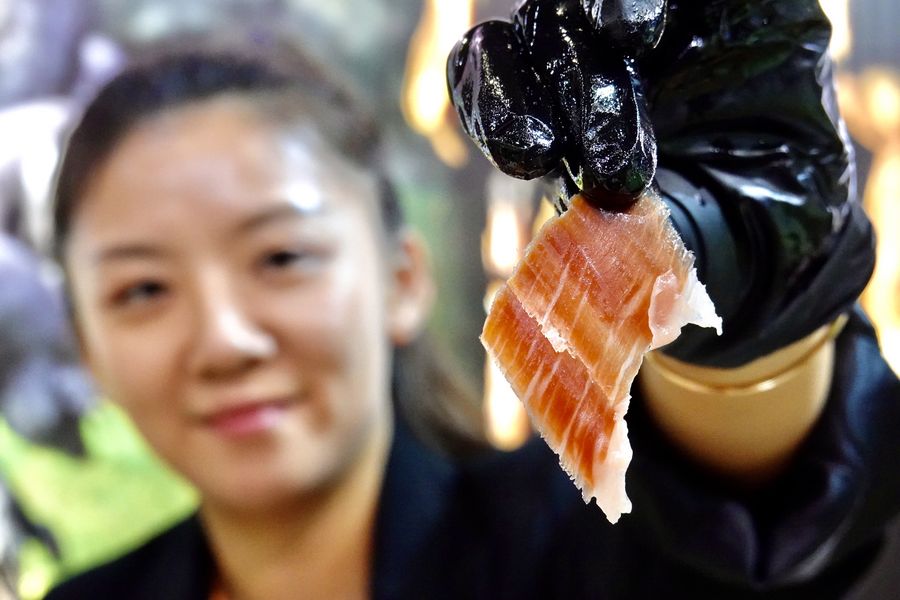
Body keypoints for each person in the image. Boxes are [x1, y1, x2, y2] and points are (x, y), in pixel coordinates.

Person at [46, 5, 899, 600]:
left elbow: (754, 533)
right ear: (86, 345)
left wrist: (749, 334)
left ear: (402, 279)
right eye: (142, 289)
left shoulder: (571, 552)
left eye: (281, 257)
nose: (225, 340)